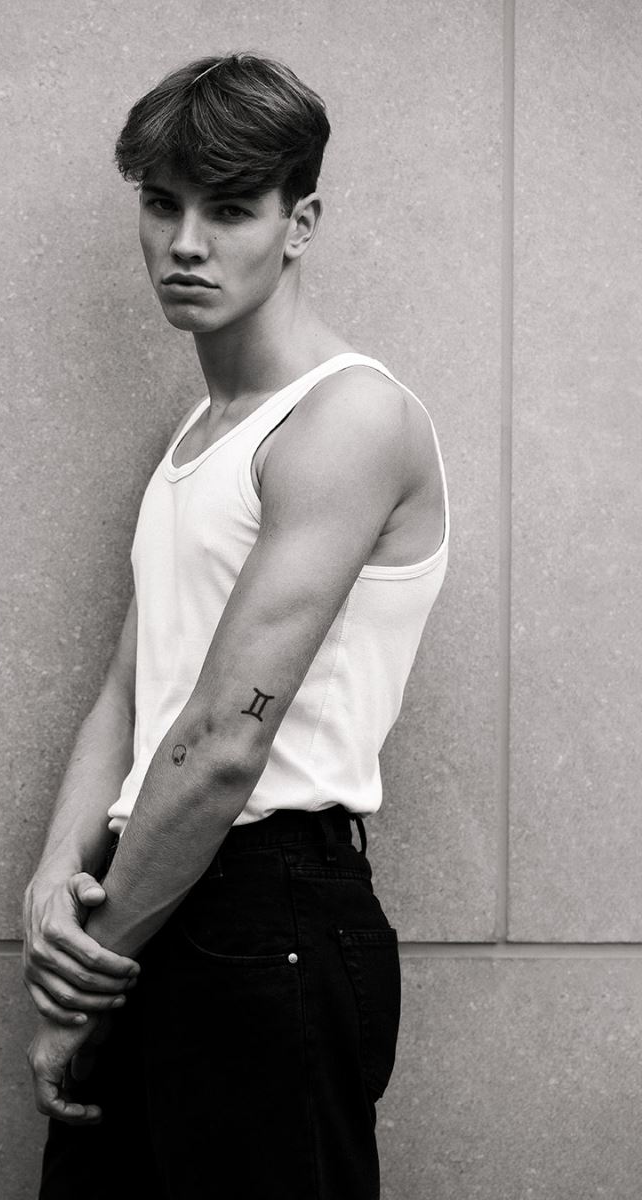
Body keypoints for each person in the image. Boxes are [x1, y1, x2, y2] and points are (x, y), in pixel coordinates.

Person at [23, 52, 448, 1199]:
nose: (186, 243)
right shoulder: (199, 436)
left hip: (265, 912)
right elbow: (132, 691)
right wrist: (57, 876)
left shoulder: (348, 419)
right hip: (152, 888)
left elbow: (223, 739)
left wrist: (90, 974)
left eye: (228, 210)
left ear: (299, 223)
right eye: (161, 205)